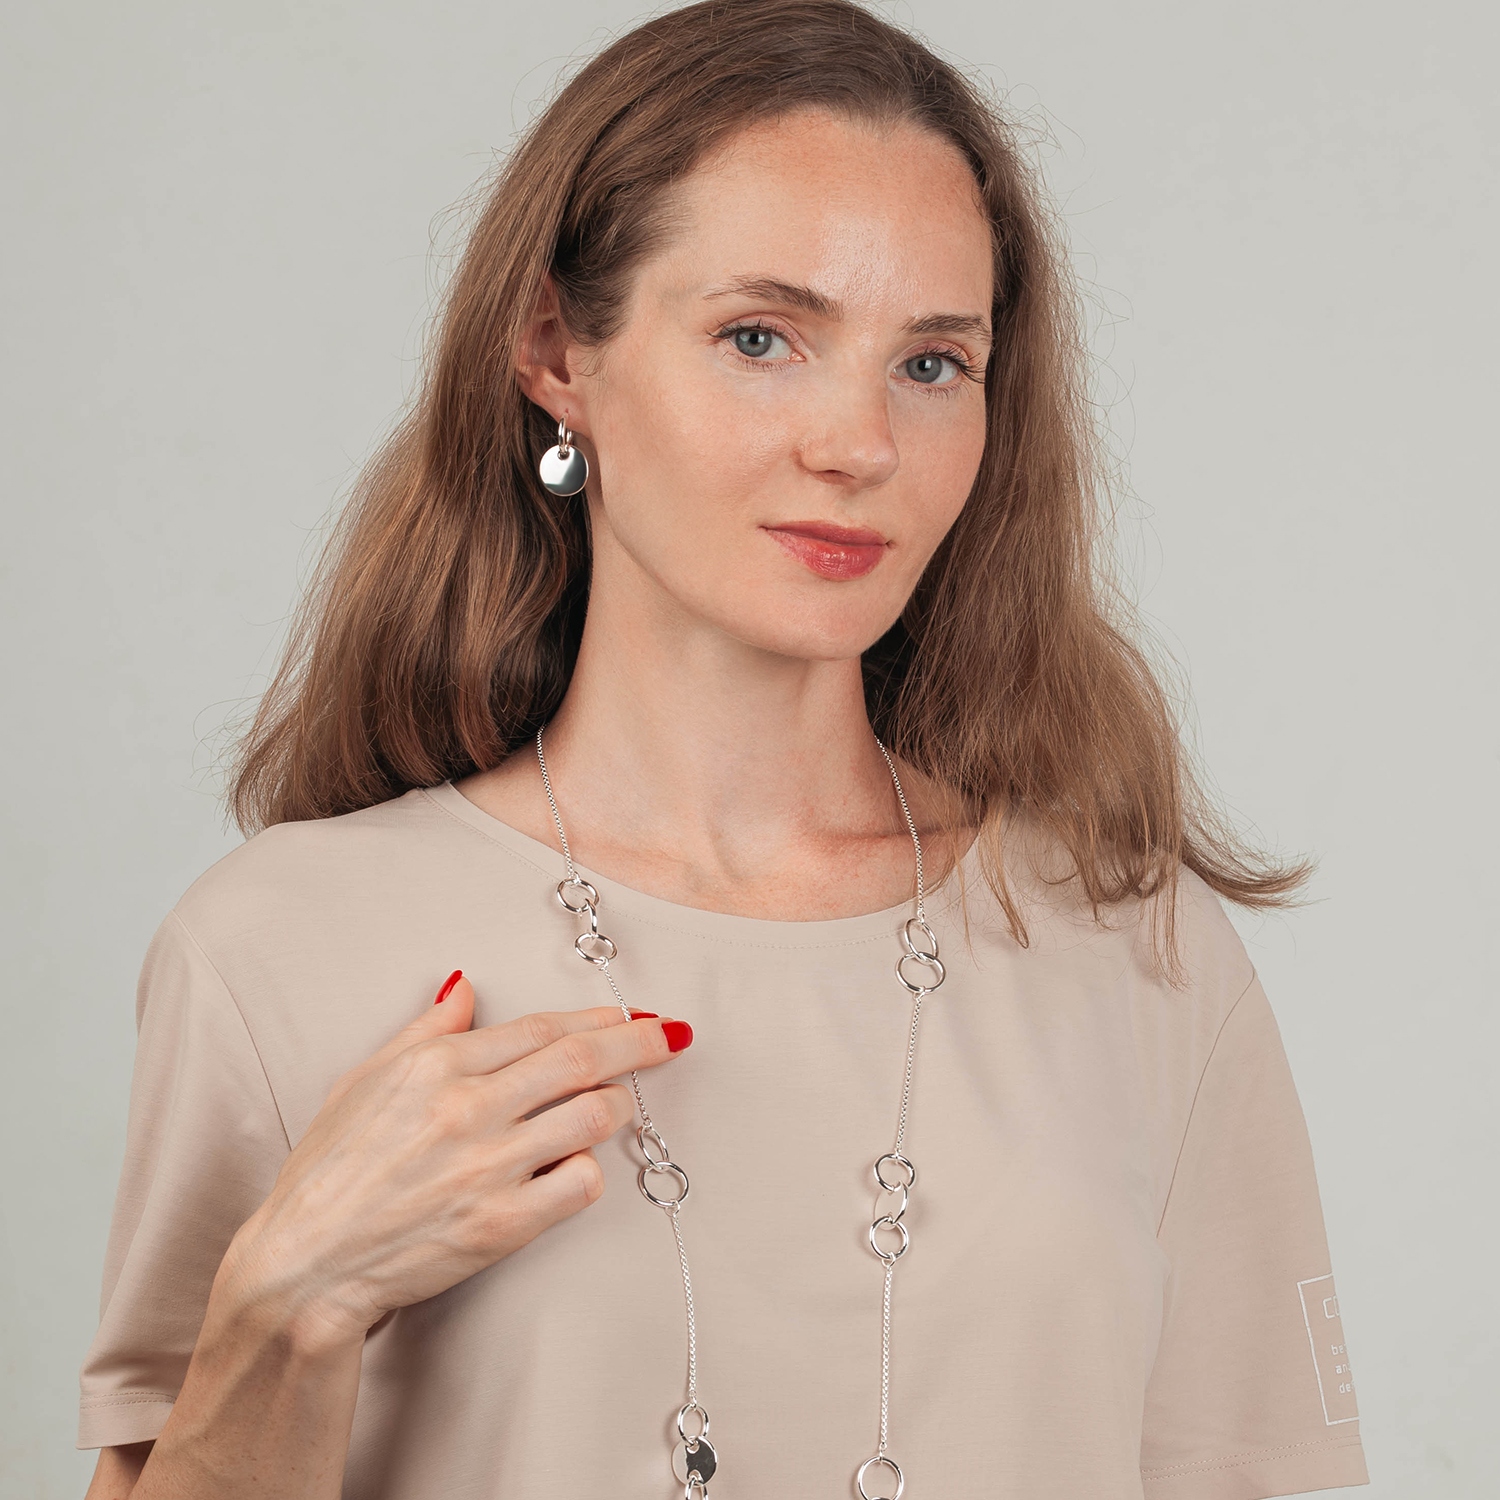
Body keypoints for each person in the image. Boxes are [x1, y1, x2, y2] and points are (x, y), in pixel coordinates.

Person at [76, 2, 1369, 1497]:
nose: (859, 444)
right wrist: (288, 1304)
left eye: (932, 363)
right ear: (558, 353)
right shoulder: (277, 953)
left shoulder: (1137, 950)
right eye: (762, 338)